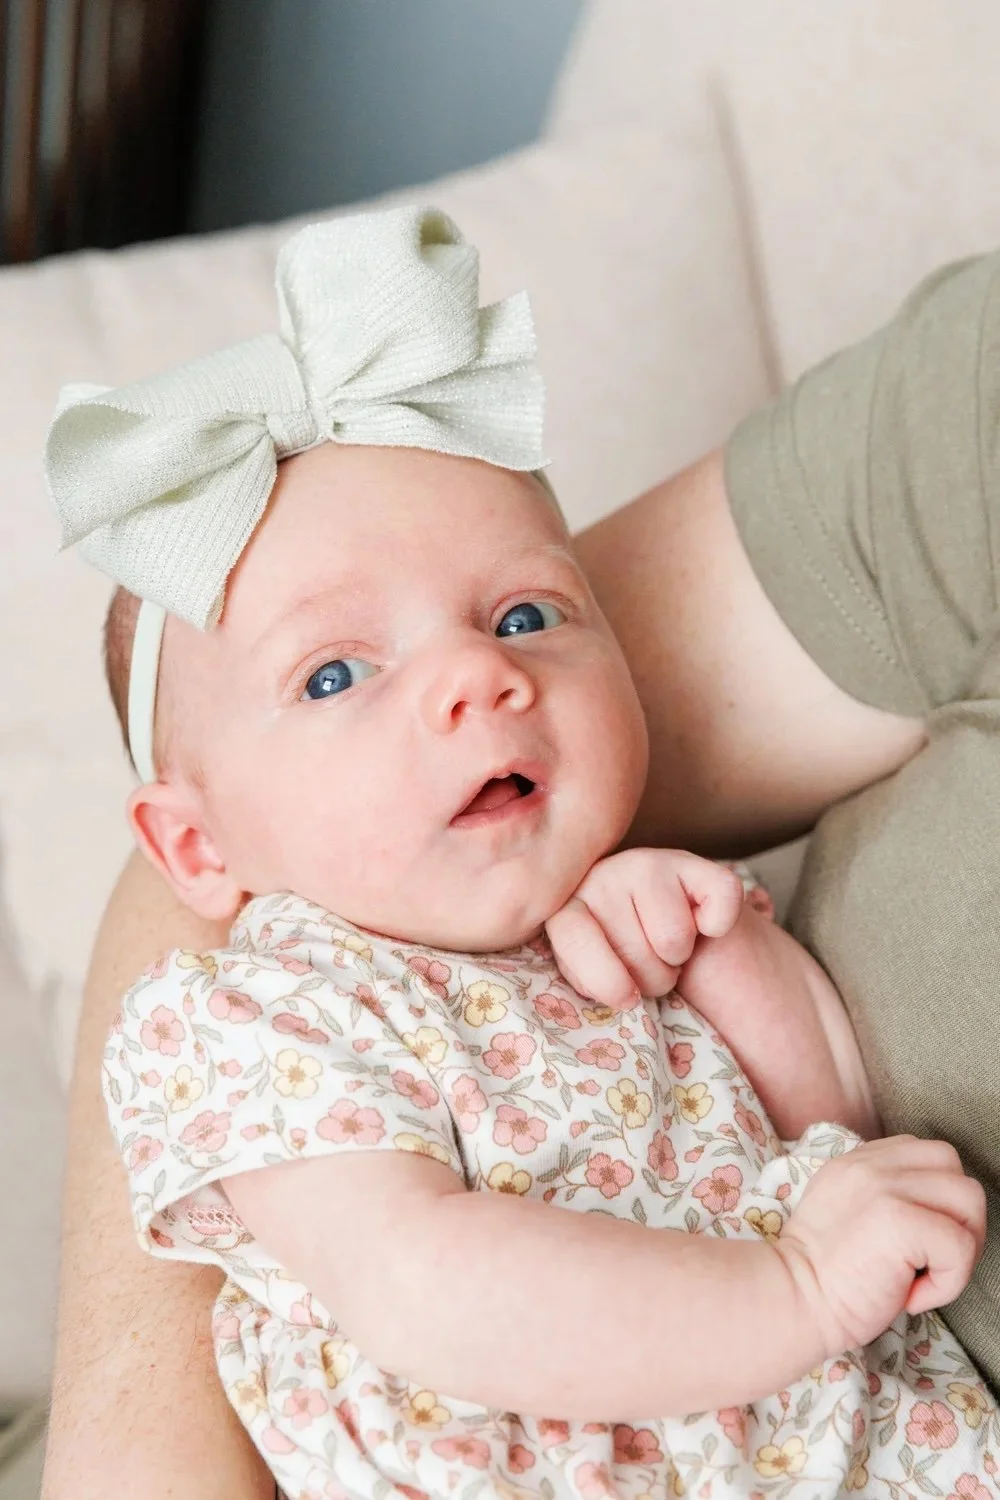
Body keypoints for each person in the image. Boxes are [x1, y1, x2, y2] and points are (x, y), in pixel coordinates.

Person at [39, 226, 1000, 1499]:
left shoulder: (612, 920)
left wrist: (733, 955)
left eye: (527, 616)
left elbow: (828, 1130)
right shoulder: (255, 1019)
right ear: (196, 847)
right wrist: (798, 1287)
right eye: (335, 675)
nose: (477, 676)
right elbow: (422, 1281)